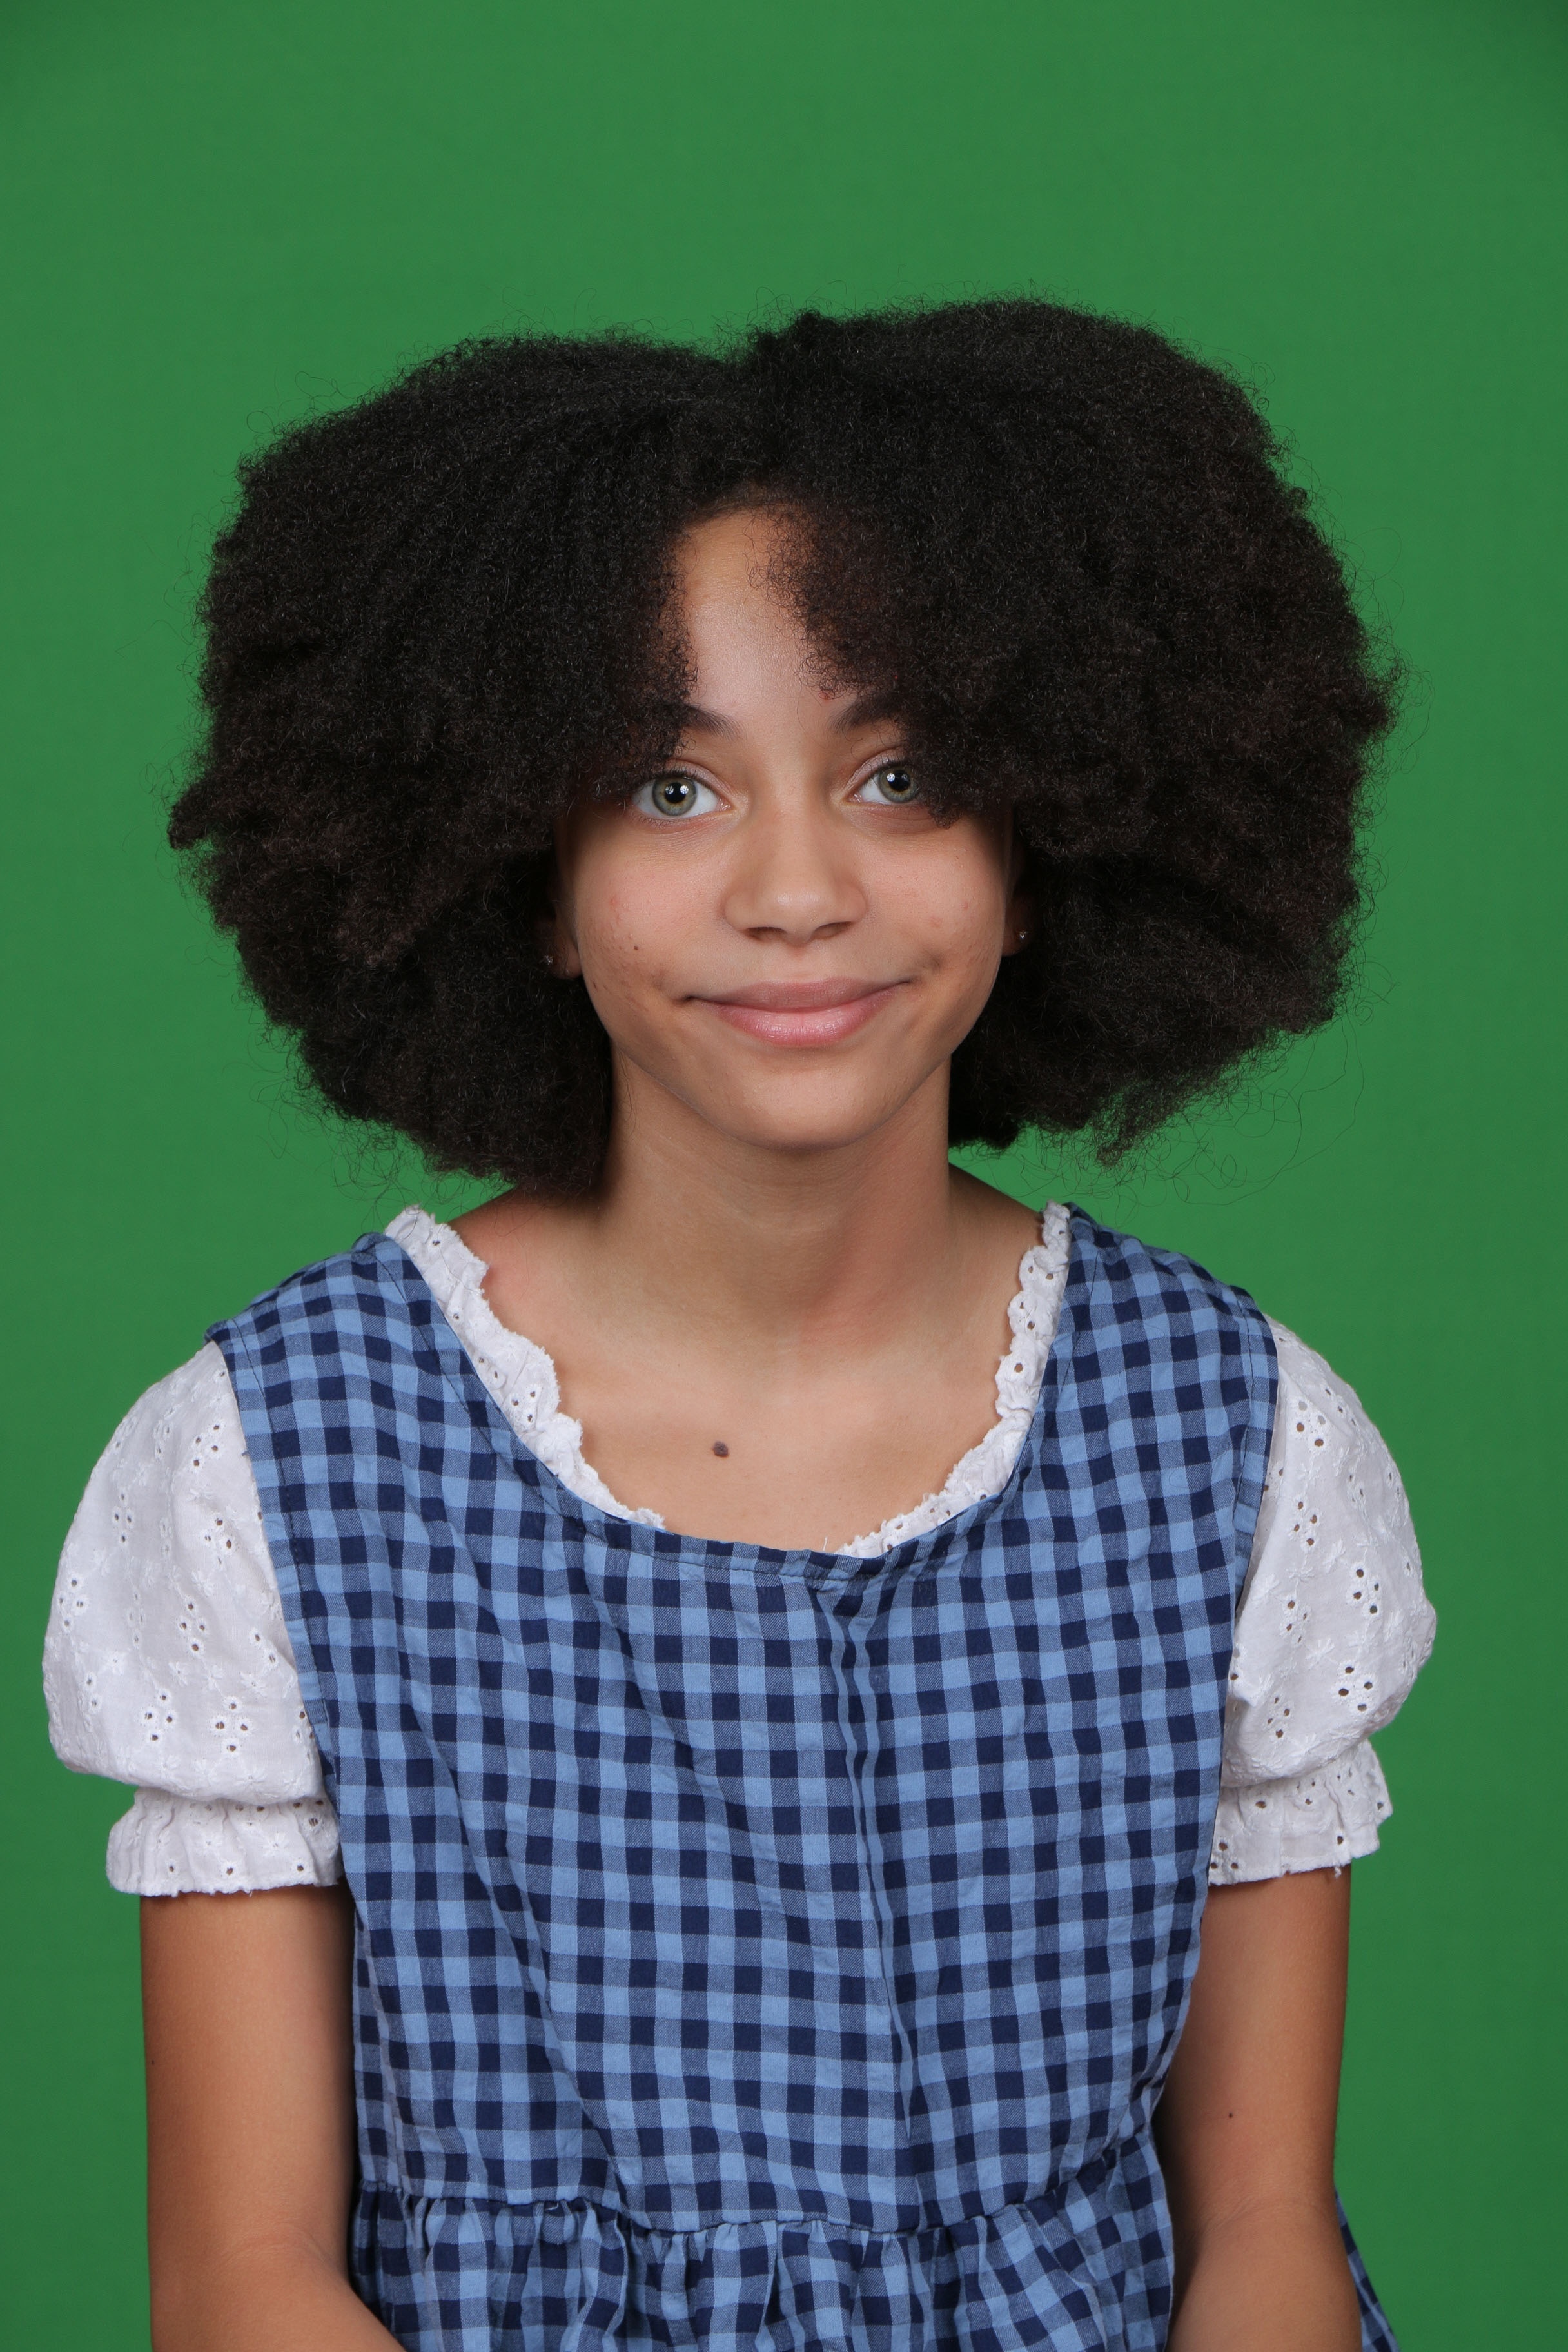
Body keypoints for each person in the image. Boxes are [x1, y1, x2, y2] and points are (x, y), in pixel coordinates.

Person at [44, 302, 1435, 2352]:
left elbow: (1264, 2237)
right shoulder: (285, 1459)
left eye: (899, 776)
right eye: (673, 787)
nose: (797, 888)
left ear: (1048, 840)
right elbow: (243, 2283)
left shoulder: (1233, 1439)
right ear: (524, 872)